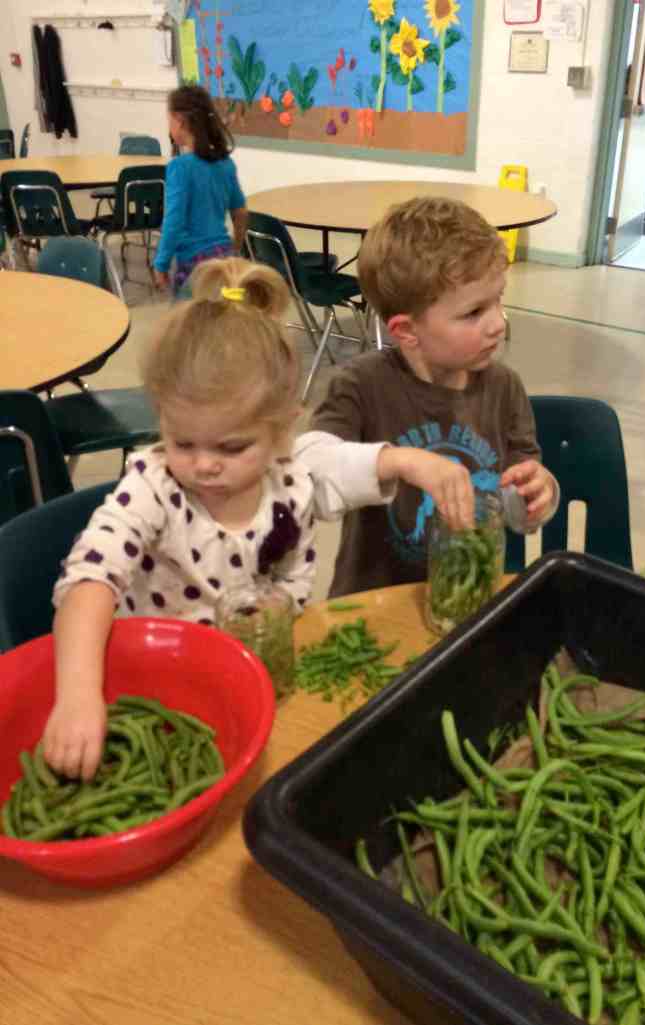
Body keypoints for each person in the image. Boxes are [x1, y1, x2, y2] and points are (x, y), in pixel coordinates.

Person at [43, 257, 476, 781]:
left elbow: (340, 468)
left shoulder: (291, 480)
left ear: (281, 431)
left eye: (232, 446)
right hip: (156, 693)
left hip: (252, 687)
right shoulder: (153, 487)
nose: (204, 464)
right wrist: (78, 695)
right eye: (182, 441)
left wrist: (408, 460)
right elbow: (90, 580)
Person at [306, 195, 560, 598]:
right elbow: (305, 473)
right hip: (374, 602)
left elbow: (516, 504)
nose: (497, 323)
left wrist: (536, 494)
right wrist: (397, 461)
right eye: (473, 312)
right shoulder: (359, 385)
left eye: (498, 299)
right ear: (407, 331)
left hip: (469, 597)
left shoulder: (505, 388)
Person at [153, 84, 249, 295]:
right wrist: (235, 248)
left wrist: (161, 264)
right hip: (225, 262)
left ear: (179, 120)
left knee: (191, 324)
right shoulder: (225, 163)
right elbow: (240, 212)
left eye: (169, 120)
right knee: (224, 318)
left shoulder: (179, 167)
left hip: (195, 266)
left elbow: (174, 221)